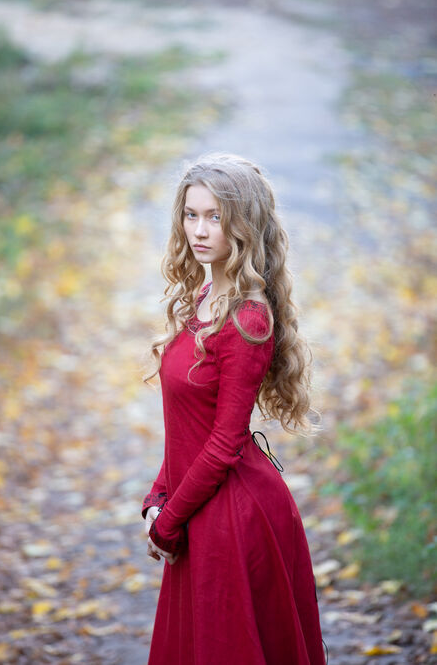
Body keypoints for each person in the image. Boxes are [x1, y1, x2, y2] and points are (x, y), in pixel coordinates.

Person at [141, 152, 327, 665]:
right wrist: (158, 495)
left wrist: (168, 521)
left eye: (215, 217)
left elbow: (224, 441)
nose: (199, 230)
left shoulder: (247, 318)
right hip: (197, 504)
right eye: (191, 214)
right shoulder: (202, 296)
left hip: (233, 517)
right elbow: (188, 426)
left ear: (244, 225)